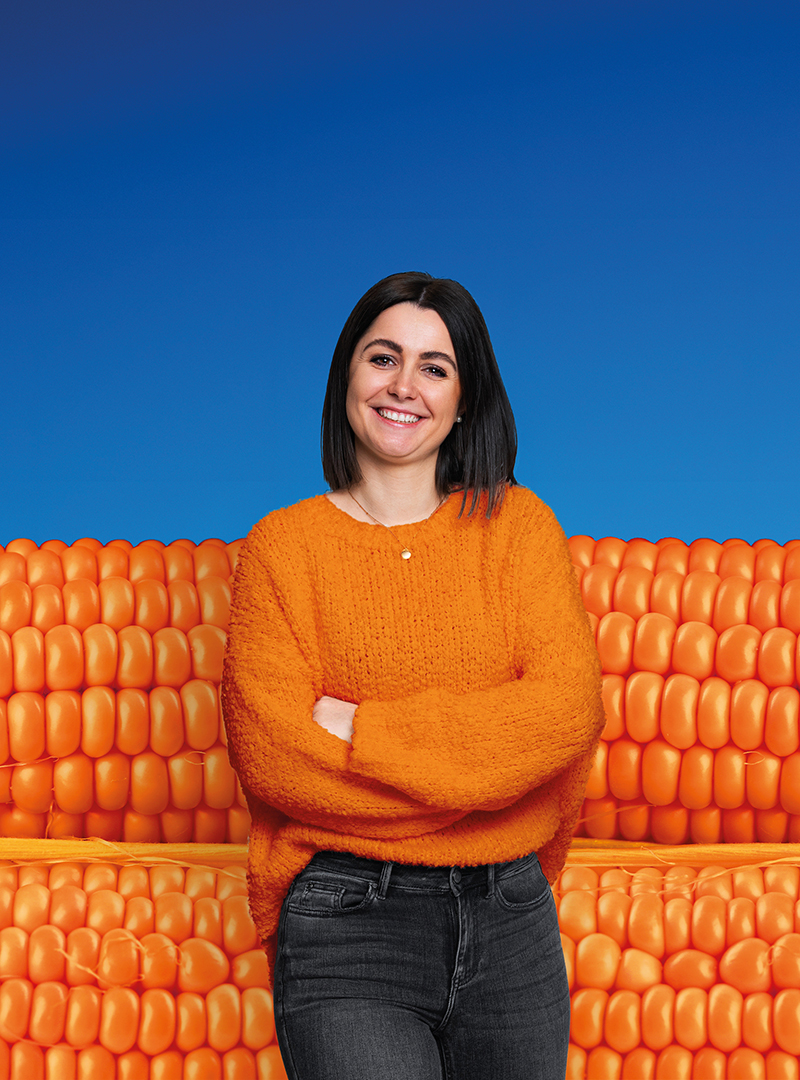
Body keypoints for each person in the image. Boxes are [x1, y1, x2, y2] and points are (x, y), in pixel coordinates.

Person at [221, 271, 604, 1080]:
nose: (404, 385)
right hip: (348, 924)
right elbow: (276, 757)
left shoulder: (518, 529)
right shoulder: (283, 550)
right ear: (348, 378)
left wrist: (365, 729)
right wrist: (487, 780)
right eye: (383, 357)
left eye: (435, 367)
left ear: (465, 399)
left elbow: (565, 712)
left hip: (510, 924)